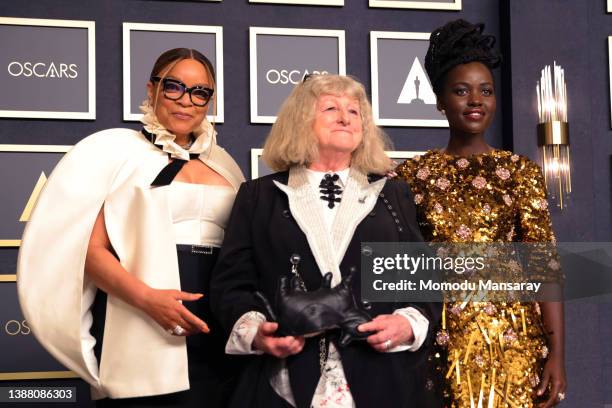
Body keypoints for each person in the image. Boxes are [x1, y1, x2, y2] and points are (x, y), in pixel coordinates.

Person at [17, 48, 245, 406]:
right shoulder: (112, 153)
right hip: (141, 317)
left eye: (200, 92)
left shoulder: (227, 165)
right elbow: (89, 253)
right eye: (174, 87)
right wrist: (149, 301)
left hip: (217, 322)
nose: (187, 101)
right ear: (151, 88)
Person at [210, 74, 441, 408]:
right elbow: (231, 285)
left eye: (354, 111)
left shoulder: (393, 194)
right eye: (331, 108)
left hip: (381, 380)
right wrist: (257, 333)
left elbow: (420, 283)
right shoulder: (258, 196)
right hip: (284, 381)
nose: (345, 117)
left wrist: (406, 324)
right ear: (301, 120)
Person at [395, 20, 567, 407]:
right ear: (439, 99)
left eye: (485, 91)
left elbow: (544, 267)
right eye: (461, 91)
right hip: (439, 346)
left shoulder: (520, 172)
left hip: (514, 344)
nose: (476, 100)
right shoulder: (410, 176)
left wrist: (557, 355)